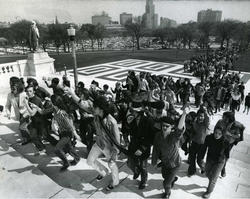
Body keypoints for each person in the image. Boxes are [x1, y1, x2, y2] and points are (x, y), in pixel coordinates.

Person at [152, 109, 187, 199]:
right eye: (163, 125)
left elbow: (179, 129)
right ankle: (173, 178)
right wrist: (154, 162)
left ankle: (167, 193)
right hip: (165, 163)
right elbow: (155, 149)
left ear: (171, 127)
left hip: (175, 164)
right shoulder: (157, 135)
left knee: (166, 183)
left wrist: (183, 115)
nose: (164, 128)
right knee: (165, 176)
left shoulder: (174, 136)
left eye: (167, 126)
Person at [127, 101, 155, 190]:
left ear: (139, 112)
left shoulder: (148, 121)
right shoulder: (132, 119)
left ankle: (143, 181)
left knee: (143, 167)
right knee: (130, 163)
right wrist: (129, 123)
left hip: (143, 147)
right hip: (133, 145)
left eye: (134, 111)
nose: (132, 113)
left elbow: (151, 137)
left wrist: (142, 149)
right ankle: (136, 171)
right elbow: (130, 132)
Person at [50, 95, 80, 171]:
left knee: (57, 149)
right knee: (69, 148)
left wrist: (75, 134)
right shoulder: (54, 109)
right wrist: (53, 122)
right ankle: (77, 158)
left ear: (54, 103)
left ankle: (66, 163)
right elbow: (46, 113)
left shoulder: (62, 113)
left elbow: (70, 126)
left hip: (67, 133)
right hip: (61, 132)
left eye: (51, 101)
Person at [200, 126, 231, 198]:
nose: (217, 135)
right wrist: (201, 158)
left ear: (222, 134)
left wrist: (223, 166)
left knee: (214, 178)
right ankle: (212, 182)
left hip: (220, 161)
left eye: (219, 134)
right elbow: (204, 148)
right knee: (207, 173)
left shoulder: (226, 141)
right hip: (210, 158)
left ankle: (209, 191)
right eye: (216, 133)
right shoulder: (209, 138)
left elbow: (227, 155)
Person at [188, 107, 210, 176]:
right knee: (192, 158)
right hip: (194, 143)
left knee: (199, 160)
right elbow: (192, 132)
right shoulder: (194, 122)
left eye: (202, 116)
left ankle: (204, 168)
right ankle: (192, 170)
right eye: (199, 116)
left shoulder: (205, 124)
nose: (200, 117)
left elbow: (207, 118)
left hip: (202, 145)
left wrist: (205, 111)